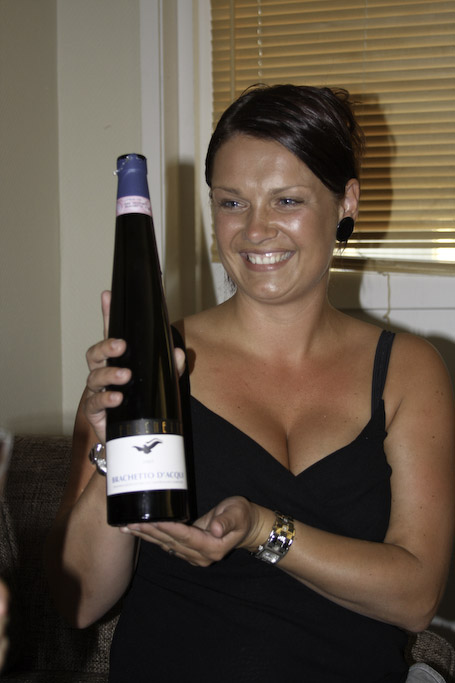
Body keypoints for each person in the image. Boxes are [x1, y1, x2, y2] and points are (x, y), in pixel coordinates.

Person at [45, 85, 454, 682]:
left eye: (287, 200)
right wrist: (114, 450)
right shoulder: (153, 358)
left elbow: (415, 597)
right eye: (232, 203)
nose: (256, 231)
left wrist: (264, 530)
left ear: (346, 202)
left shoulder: (408, 371)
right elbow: (78, 602)